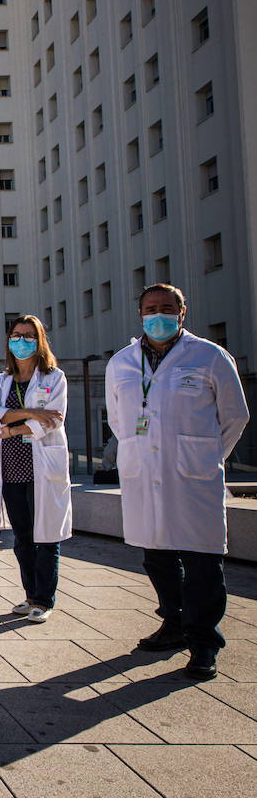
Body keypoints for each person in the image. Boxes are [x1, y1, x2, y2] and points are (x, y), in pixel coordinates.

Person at [105, 283, 249, 680]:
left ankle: (203, 643)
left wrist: (204, 455)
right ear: (140, 315)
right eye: (151, 308)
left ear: (182, 313)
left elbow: (234, 416)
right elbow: (117, 419)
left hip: (194, 477)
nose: (158, 315)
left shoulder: (209, 355)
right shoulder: (121, 362)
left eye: (167, 308)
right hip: (144, 473)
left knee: (202, 563)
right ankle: (173, 623)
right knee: (157, 556)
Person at [0, 315, 70, 622]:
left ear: (40, 340)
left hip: (42, 466)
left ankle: (44, 600)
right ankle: (30, 595)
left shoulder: (54, 378)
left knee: (47, 535)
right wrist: (31, 412)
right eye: (16, 335)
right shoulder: (1, 380)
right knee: (22, 537)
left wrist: (14, 428)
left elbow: (54, 419)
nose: (22, 341)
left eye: (29, 335)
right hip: (10, 466)